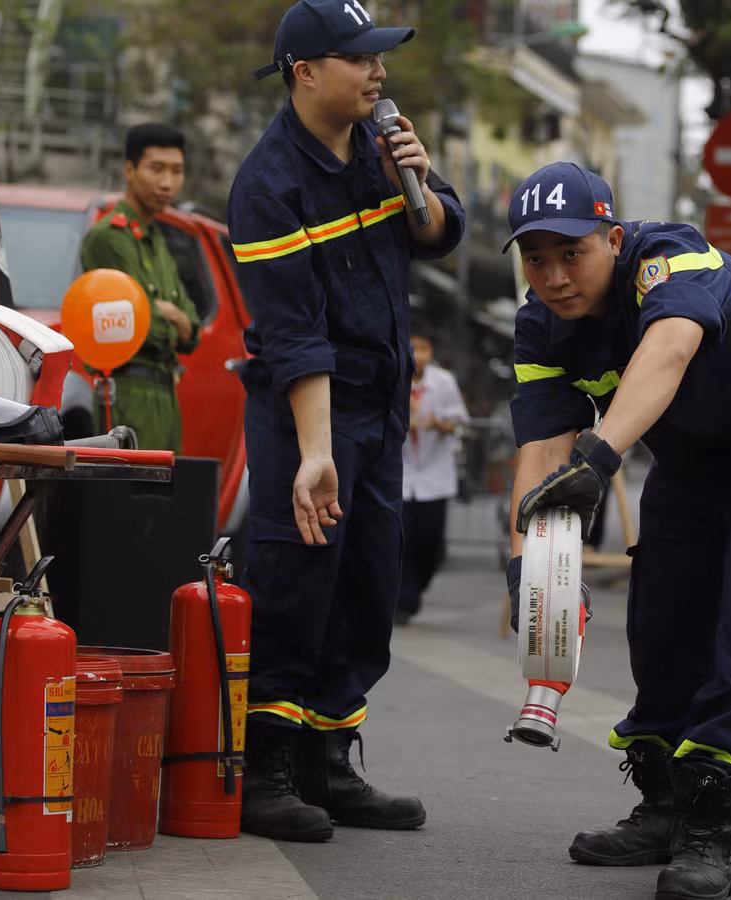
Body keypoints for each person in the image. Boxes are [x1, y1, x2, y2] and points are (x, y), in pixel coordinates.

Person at [503, 162, 731, 899]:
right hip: (694, 454)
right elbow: (538, 451)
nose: (556, 275)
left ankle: (708, 831)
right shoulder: (540, 325)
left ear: (614, 238)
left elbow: (668, 350)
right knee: (659, 621)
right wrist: (526, 568)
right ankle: (663, 808)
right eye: (536, 258)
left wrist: (599, 458)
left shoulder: (671, 258)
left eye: (573, 252)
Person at [226, 0, 464, 843]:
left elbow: (438, 235)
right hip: (307, 415)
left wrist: (420, 183)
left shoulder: (377, 148)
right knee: (297, 583)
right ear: (306, 73)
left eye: (381, 57)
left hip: (379, 404)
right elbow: (294, 336)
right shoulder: (268, 185)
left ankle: (330, 761)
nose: (379, 73)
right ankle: (266, 773)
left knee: (368, 583)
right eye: (361, 58)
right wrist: (316, 455)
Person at [80, 123, 201, 451]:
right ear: (129, 170)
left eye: (177, 171)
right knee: (128, 498)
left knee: (163, 498)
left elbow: (193, 327)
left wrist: (171, 313)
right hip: (127, 392)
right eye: (156, 169)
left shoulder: (156, 239)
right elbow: (132, 324)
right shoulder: (109, 237)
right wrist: (167, 318)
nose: (167, 182)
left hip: (165, 393)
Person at [396, 331, 469, 625]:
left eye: (424, 348)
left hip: (435, 477)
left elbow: (460, 422)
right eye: (413, 347)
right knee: (402, 541)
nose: (418, 354)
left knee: (429, 541)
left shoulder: (443, 382)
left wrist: (437, 423)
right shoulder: (394, 377)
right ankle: (403, 601)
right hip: (401, 477)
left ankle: (418, 586)